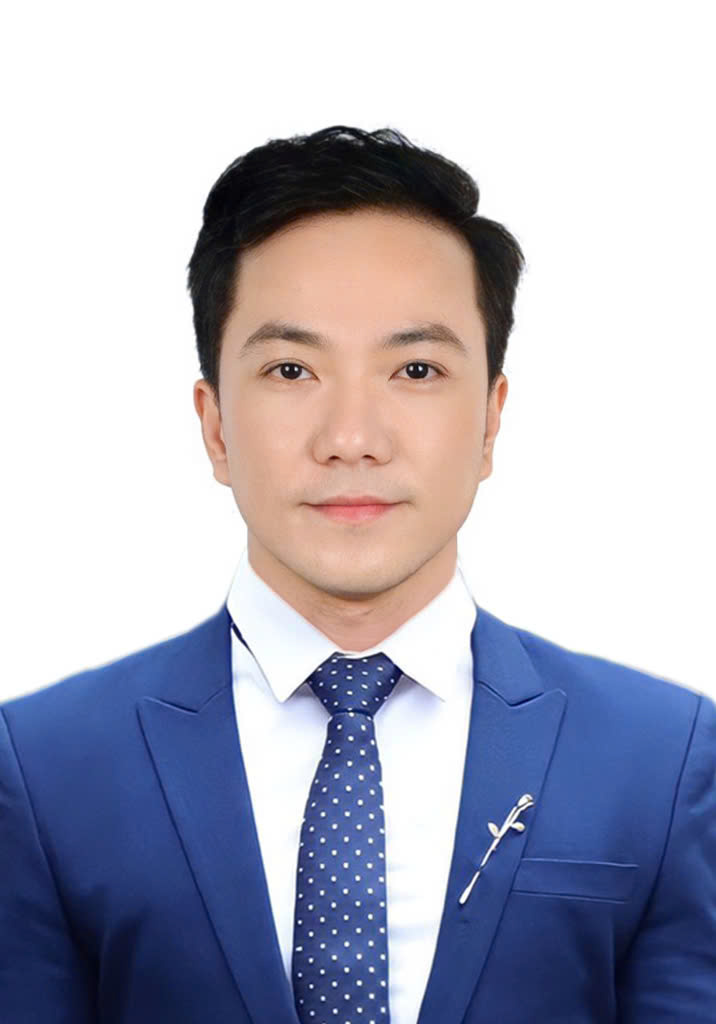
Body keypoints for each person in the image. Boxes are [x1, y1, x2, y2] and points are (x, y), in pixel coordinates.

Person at [1, 125, 714, 1024]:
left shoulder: (664, 759)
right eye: (290, 368)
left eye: (416, 368)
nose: (351, 438)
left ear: (490, 421)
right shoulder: (43, 766)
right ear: (214, 425)